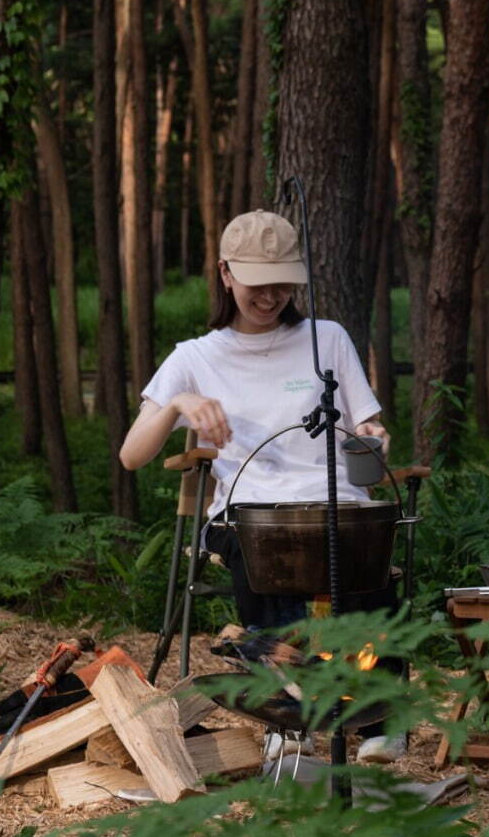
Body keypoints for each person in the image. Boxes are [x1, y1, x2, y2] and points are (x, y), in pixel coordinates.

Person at [119, 209, 405, 762]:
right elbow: (132, 455)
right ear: (225, 274)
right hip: (254, 516)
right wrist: (178, 403)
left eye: (281, 284)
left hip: (336, 506)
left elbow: (365, 423)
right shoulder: (196, 357)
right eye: (257, 284)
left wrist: (371, 435)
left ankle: (379, 714)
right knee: (265, 547)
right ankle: (288, 712)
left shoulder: (328, 338)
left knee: (367, 543)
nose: (270, 296)